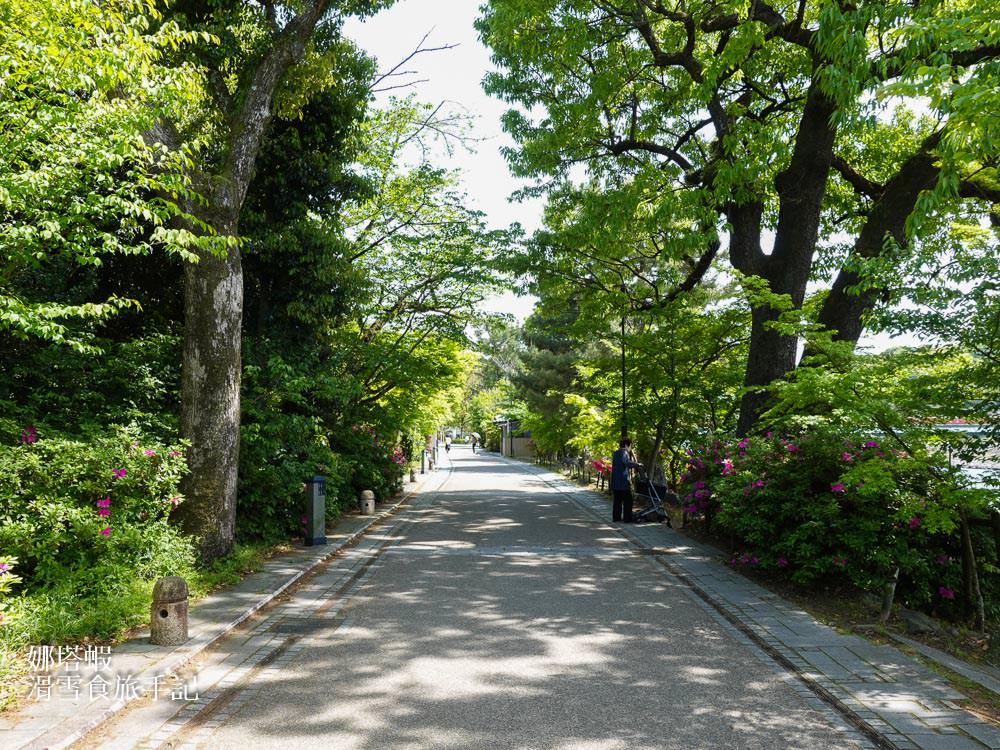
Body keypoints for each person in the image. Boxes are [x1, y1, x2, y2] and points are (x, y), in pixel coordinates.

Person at [611, 437, 641, 523]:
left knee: (617, 501)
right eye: (630, 446)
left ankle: (616, 518)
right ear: (626, 445)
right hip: (623, 481)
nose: (630, 448)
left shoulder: (615, 453)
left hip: (615, 481)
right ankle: (627, 518)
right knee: (628, 500)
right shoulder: (624, 452)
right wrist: (637, 464)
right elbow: (627, 462)